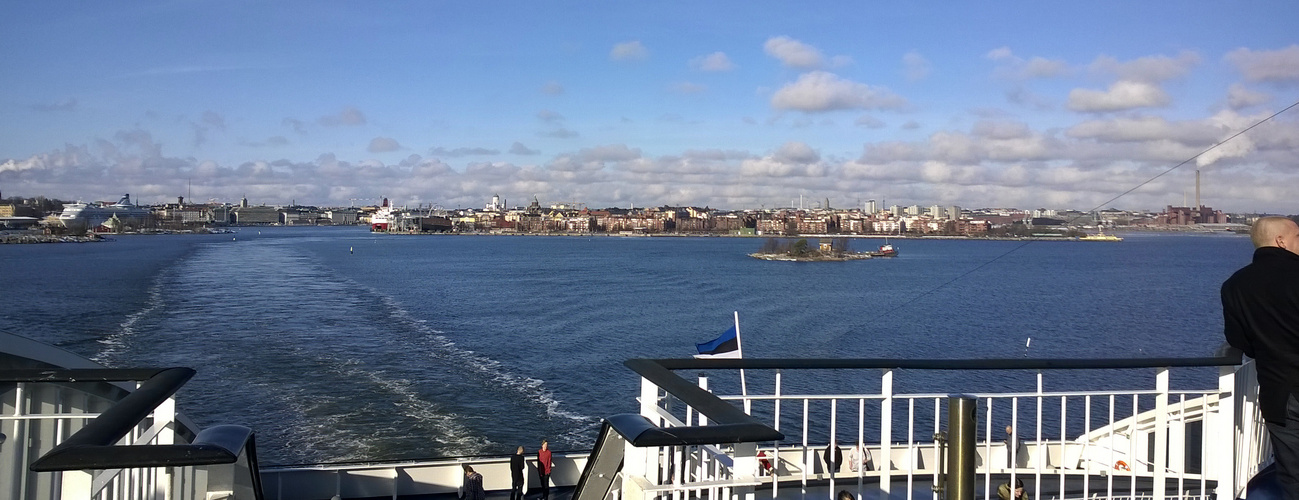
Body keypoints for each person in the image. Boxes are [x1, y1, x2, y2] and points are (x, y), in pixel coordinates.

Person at [1223, 216, 1299, 500]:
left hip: (1281, 394)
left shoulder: (1234, 286)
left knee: (1293, 476)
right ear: (1281, 241)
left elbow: (1240, 342)